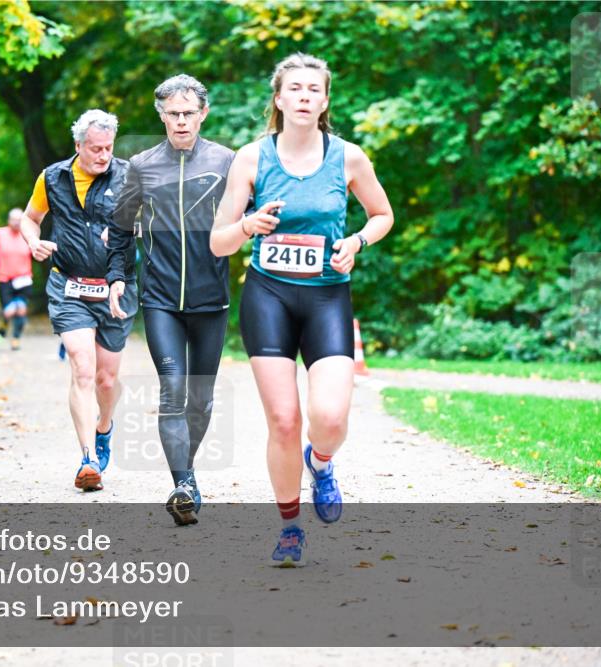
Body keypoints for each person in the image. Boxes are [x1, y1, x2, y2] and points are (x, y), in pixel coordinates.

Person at [210, 54, 394, 566]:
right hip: (268, 296)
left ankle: (324, 461)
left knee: (329, 418)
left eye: (315, 89)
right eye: (296, 88)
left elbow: (383, 215)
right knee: (284, 421)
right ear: (279, 98)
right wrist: (248, 226)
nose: (305, 96)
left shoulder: (348, 157)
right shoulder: (250, 158)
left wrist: (356, 240)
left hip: (326, 295)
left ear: (325, 100)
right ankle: (290, 526)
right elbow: (219, 243)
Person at [107, 74, 234, 526]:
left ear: (203, 113)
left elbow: (250, 219)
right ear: (161, 115)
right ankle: (181, 483)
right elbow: (121, 227)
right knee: (173, 390)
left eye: (188, 113)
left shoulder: (227, 162)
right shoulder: (141, 164)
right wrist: (118, 276)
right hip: (160, 297)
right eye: (172, 113)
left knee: (201, 400)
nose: (180, 121)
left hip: (212, 299)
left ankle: (189, 473)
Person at [19, 109, 138, 492]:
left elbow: (150, 224)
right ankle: (88, 458)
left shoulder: (129, 176)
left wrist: (127, 233)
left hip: (115, 288)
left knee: (107, 378)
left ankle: (104, 428)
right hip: (68, 285)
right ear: (78, 146)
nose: (103, 156)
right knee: (82, 368)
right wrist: (33, 241)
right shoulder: (52, 177)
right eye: (94, 149)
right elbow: (30, 217)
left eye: (108, 148)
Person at [0, 207, 34, 350]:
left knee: (21, 309)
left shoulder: (27, 234)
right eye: (13, 219)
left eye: (19, 219)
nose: (16, 222)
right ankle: (4, 323)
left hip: (23, 279)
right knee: (9, 311)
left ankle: (16, 338)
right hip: (5, 279)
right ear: (9, 220)